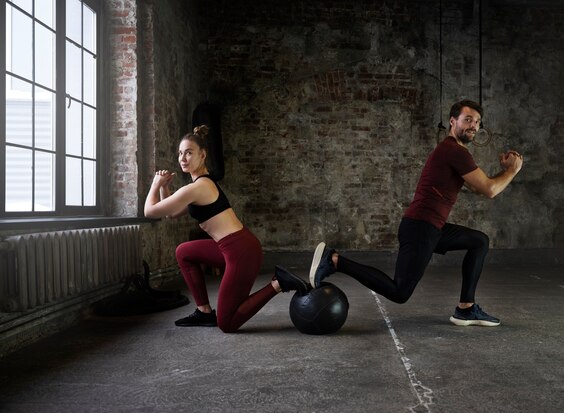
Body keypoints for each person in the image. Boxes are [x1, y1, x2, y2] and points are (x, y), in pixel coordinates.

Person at [309, 100, 523, 326]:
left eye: (477, 122)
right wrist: (512, 170)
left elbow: (479, 187)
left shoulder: (454, 152)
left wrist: (503, 172)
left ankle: (466, 308)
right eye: (467, 119)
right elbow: (490, 190)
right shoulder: (454, 151)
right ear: (453, 121)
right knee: (399, 292)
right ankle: (334, 261)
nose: (473, 126)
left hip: (432, 227)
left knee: (479, 241)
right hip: (421, 227)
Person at [144, 125, 309, 332]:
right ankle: (204, 312)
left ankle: (278, 284)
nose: (182, 158)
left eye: (188, 152)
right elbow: (170, 213)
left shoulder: (198, 187)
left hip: (241, 252)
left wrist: (155, 184)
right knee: (183, 252)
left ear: (202, 155)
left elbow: (150, 212)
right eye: (180, 153)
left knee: (227, 323)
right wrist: (165, 187)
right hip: (230, 247)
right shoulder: (200, 186)